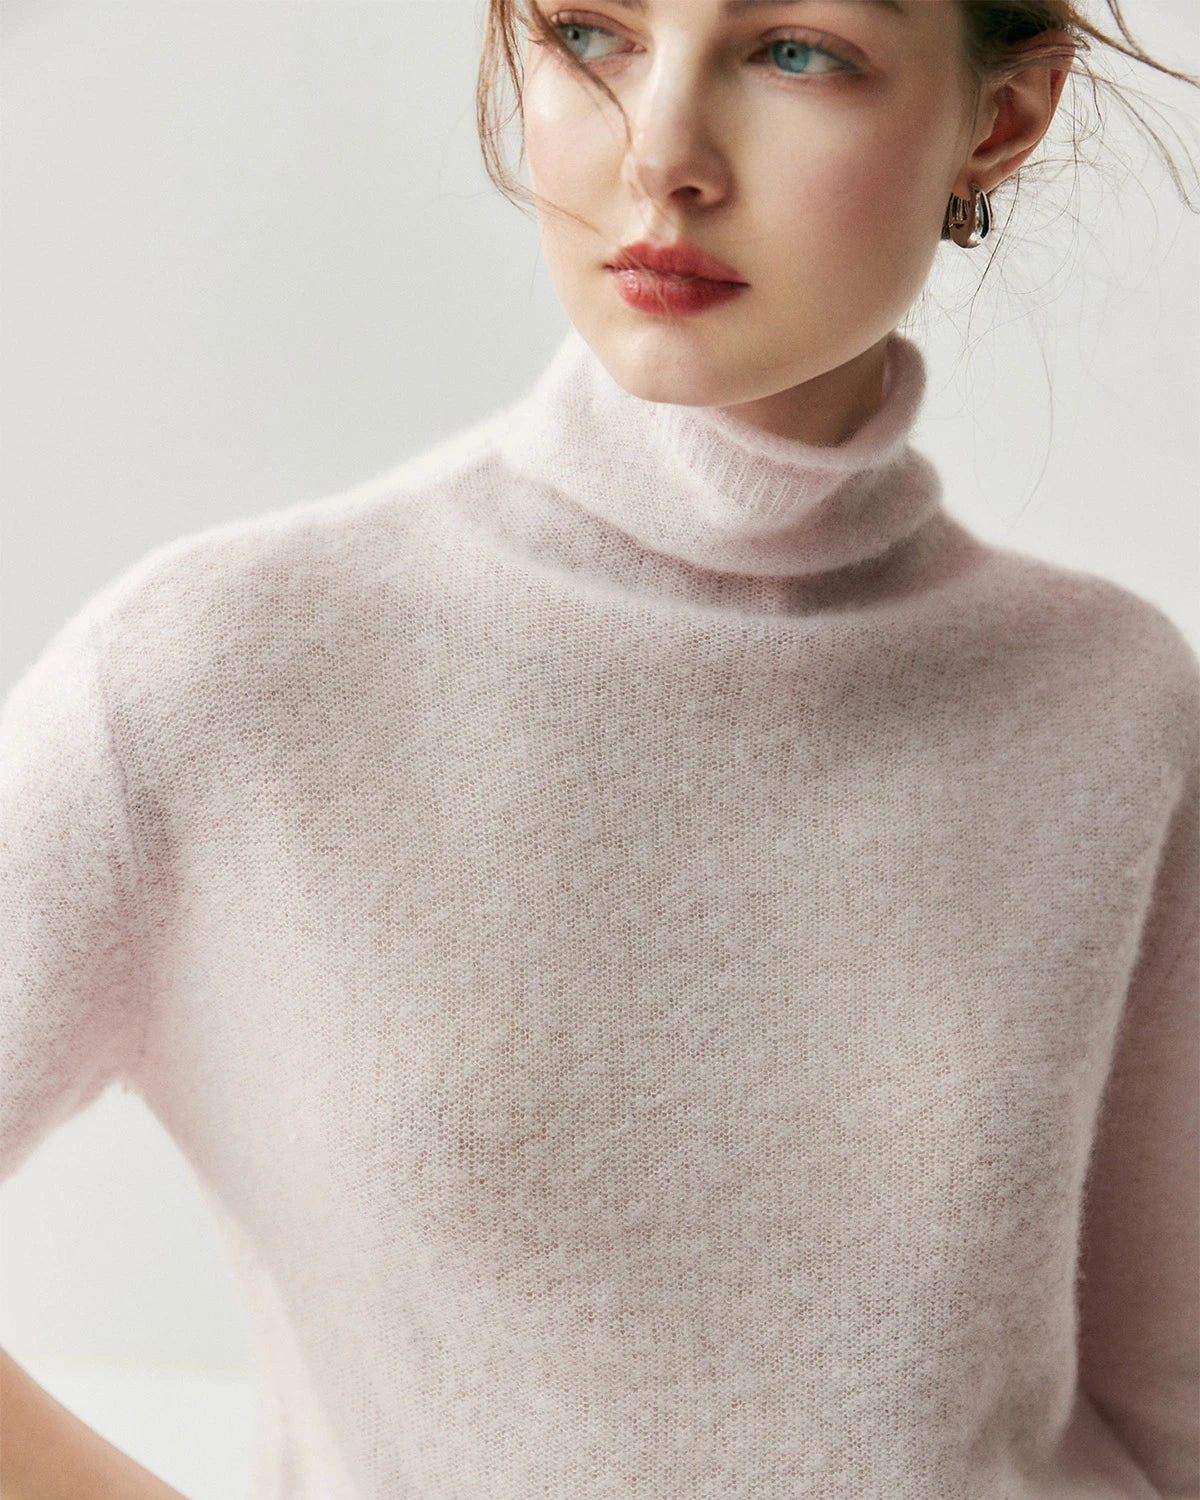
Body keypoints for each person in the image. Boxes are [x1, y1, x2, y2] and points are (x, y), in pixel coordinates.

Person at [1, 1, 1197, 1496]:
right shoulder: (219, 673)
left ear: (1001, 119)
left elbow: (1174, 1415)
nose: (665, 154)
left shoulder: (1111, 701)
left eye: (797, 50)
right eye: (588, 32)